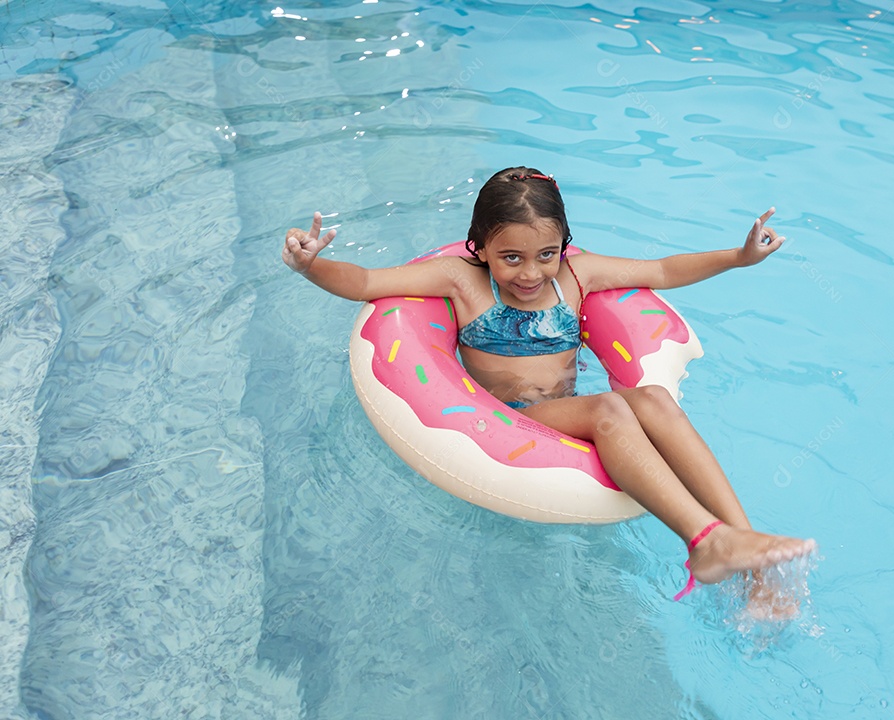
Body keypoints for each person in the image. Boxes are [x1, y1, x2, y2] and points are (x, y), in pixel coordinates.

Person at [283, 166, 815, 610]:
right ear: (481, 247)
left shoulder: (578, 276)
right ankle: (704, 541)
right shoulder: (460, 281)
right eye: (511, 257)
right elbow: (367, 283)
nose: (531, 273)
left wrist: (738, 258)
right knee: (610, 407)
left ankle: (747, 555)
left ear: (564, 244)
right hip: (509, 422)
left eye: (546, 254)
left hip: (567, 412)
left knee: (650, 398)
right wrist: (311, 265)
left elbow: (662, 269)